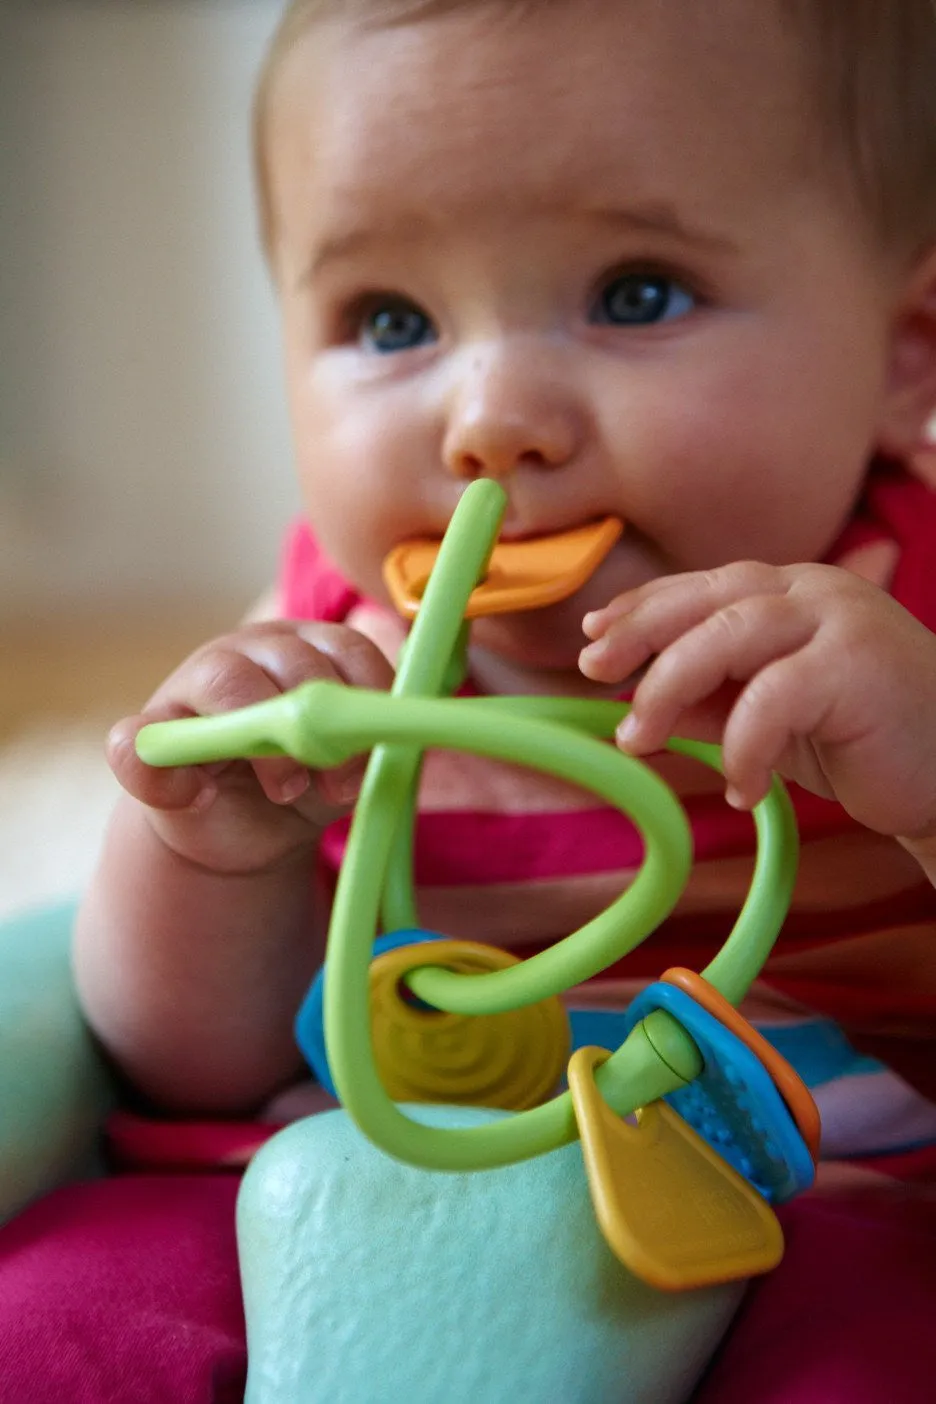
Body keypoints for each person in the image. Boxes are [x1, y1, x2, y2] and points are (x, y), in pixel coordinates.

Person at [5, 1, 936, 1399]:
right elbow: (182, 1066)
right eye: (391, 319)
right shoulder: (330, 646)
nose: (489, 416)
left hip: (813, 1189)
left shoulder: (904, 626)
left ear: (907, 353)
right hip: (357, 1177)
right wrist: (206, 855)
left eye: (638, 292)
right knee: (63, 1311)